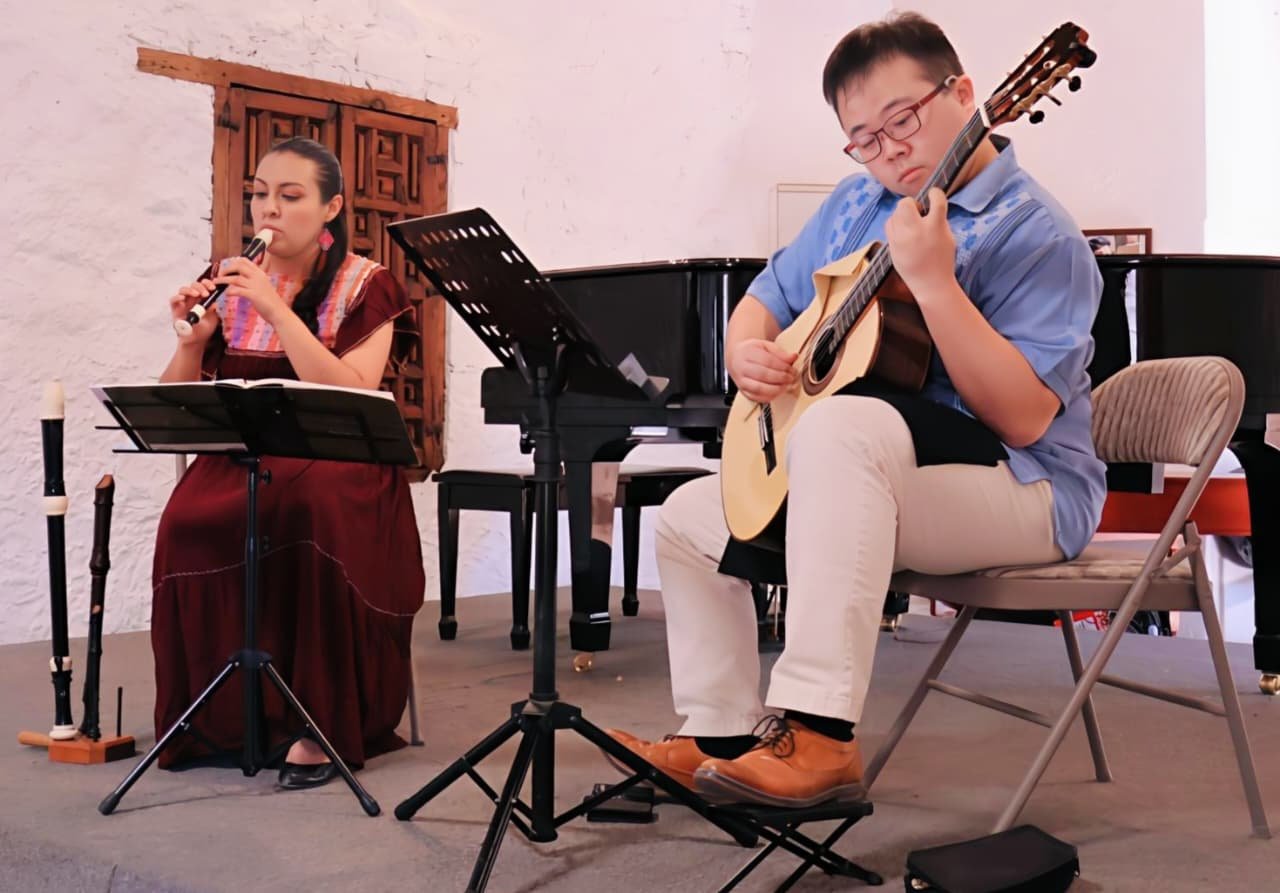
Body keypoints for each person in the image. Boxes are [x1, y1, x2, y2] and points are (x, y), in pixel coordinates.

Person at [606, 12, 1106, 808]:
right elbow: (765, 297)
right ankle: (721, 733)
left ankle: (818, 734)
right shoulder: (857, 203)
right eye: (864, 139)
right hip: (879, 476)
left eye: (903, 120)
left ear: (966, 94)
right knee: (691, 517)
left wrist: (934, 283)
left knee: (840, 427)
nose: (891, 152)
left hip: (1027, 487)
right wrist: (745, 350)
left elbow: (1023, 419)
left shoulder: (1039, 234)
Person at [153, 136, 425, 790]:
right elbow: (175, 403)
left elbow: (353, 391)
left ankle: (318, 720)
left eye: (290, 195)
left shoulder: (368, 283)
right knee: (184, 520)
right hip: (249, 453)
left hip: (342, 461)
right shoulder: (227, 280)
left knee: (307, 509)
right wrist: (192, 342)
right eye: (260, 194)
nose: (268, 210)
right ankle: (219, 715)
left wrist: (276, 309)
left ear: (331, 207)